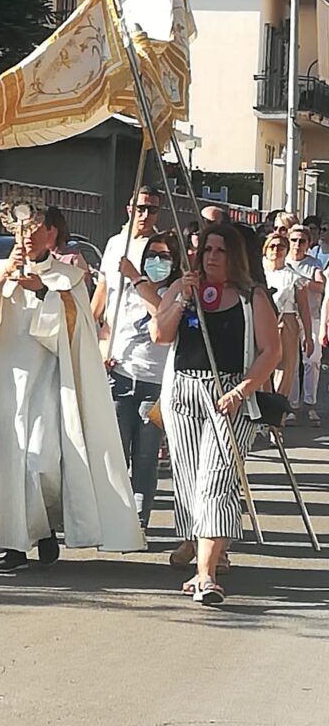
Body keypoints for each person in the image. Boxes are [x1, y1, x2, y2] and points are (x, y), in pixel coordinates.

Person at [0, 205, 144, 574]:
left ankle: (45, 525)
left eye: (36, 229)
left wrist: (44, 291)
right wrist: (3, 282)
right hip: (4, 379)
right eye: (22, 230)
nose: (28, 236)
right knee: (7, 462)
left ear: (50, 234)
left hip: (48, 380)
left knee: (41, 459)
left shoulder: (69, 277)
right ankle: (12, 543)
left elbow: (73, 332)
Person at [154, 224, 280, 606]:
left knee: (217, 480)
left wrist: (243, 390)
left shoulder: (252, 296)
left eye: (220, 250)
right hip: (183, 391)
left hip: (230, 396)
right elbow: (160, 335)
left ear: (235, 256)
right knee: (191, 480)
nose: (211, 256)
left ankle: (205, 575)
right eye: (207, 248)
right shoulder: (184, 287)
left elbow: (271, 351)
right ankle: (201, 544)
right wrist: (181, 299)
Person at [108, 231, 182, 529]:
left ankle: (139, 520)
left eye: (164, 256)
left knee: (146, 456)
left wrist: (138, 280)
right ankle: (114, 515)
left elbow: (163, 317)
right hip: (121, 380)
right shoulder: (127, 292)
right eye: (152, 256)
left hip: (156, 386)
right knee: (116, 452)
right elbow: (109, 326)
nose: (157, 262)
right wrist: (106, 351)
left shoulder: (175, 291)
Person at [91, 184, 161, 328]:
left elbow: (159, 296)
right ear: (130, 210)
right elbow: (102, 289)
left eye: (152, 210)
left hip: (141, 334)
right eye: (140, 209)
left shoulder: (159, 248)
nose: (146, 215)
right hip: (111, 332)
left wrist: (134, 276)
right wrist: (88, 324)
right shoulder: (114, 243)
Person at [262, 231, 313, 400]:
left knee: (284, 370)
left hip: (286, 323)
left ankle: (276, 416)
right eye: (272, 246)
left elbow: (304, 309)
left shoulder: (294, 278)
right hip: (261, 321)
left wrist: (308, 336)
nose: (276, 249)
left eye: (281, 246)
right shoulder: (258, 273)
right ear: (265, 249)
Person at [286, 224, 324, 423]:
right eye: (294, 240)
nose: (297, 245)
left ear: (308, 243)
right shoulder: (283, 261)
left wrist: (302, 281)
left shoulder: (313, 263)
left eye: (302, 241)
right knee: (291, 363)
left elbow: (320, 286)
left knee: (313, 361)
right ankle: (292, 405)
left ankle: (310, 404)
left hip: (313, 316)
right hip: (291, 316)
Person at [45, 205, 92, 288]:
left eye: (47, 229)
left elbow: (83, 290)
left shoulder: (73, 257)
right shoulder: (33, 256)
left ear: (57, 229)